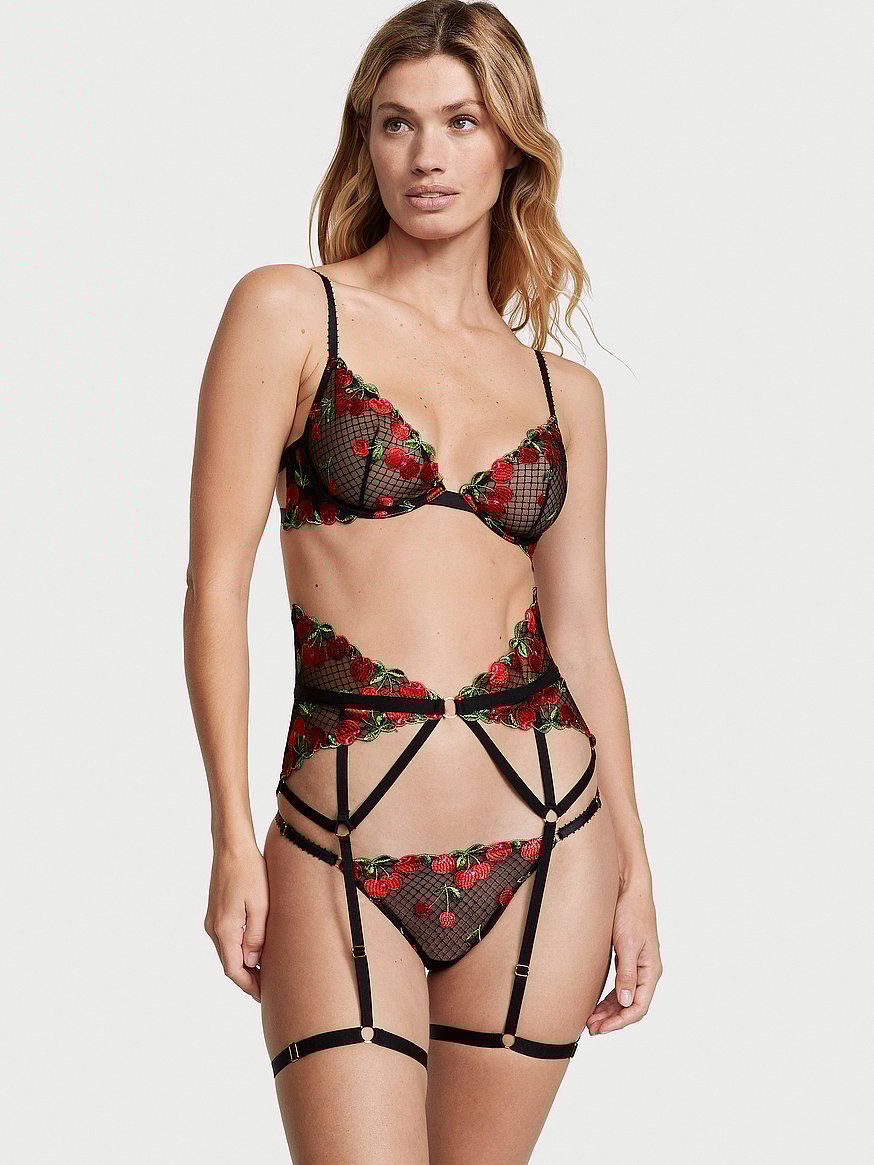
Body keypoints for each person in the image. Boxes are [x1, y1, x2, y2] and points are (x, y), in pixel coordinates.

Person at [184, 2, 661, 1160]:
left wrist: (637, 870)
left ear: (513, 148)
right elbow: (214, 584)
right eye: (396, 123)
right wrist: (231, 834)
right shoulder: (290, 310)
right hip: (336, 839)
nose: (426, 155)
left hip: (552, 837)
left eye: (460, 121)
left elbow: (582, 638)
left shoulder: (564, 395)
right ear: (366, 141)